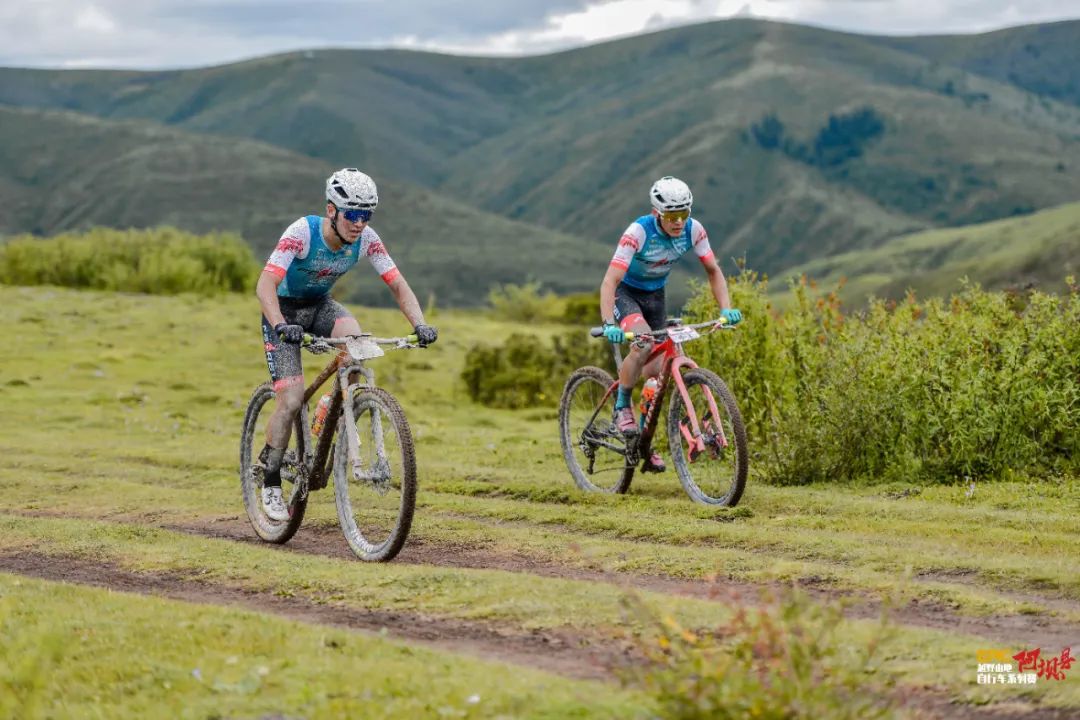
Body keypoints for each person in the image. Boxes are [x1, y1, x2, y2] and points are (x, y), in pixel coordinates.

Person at [255, 168, 438, 520]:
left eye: (366, 215)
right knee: (291, 399)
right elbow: (265, 286)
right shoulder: (301, 234)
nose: (359, 223)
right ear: (331, 210)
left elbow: (397, 284)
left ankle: (327, 407)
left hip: (321, 305)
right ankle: (272, 478)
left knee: (357, 347)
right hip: (283, 311)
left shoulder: (368, 238)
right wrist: (280, 325)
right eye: (352, 214)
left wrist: (420, 324)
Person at [599, 176, 742, 472]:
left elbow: (714, 272)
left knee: (658, 377)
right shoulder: (638, 232)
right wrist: (608, 322)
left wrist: (726, 310)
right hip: (626, 294)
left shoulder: (694, 230)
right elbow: (610, 281)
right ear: (656, 213)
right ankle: (621, 406)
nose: (678, 222)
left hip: (655, 296)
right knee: (643, 344)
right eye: (671, 216)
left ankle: (642, 445)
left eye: (684, 214)